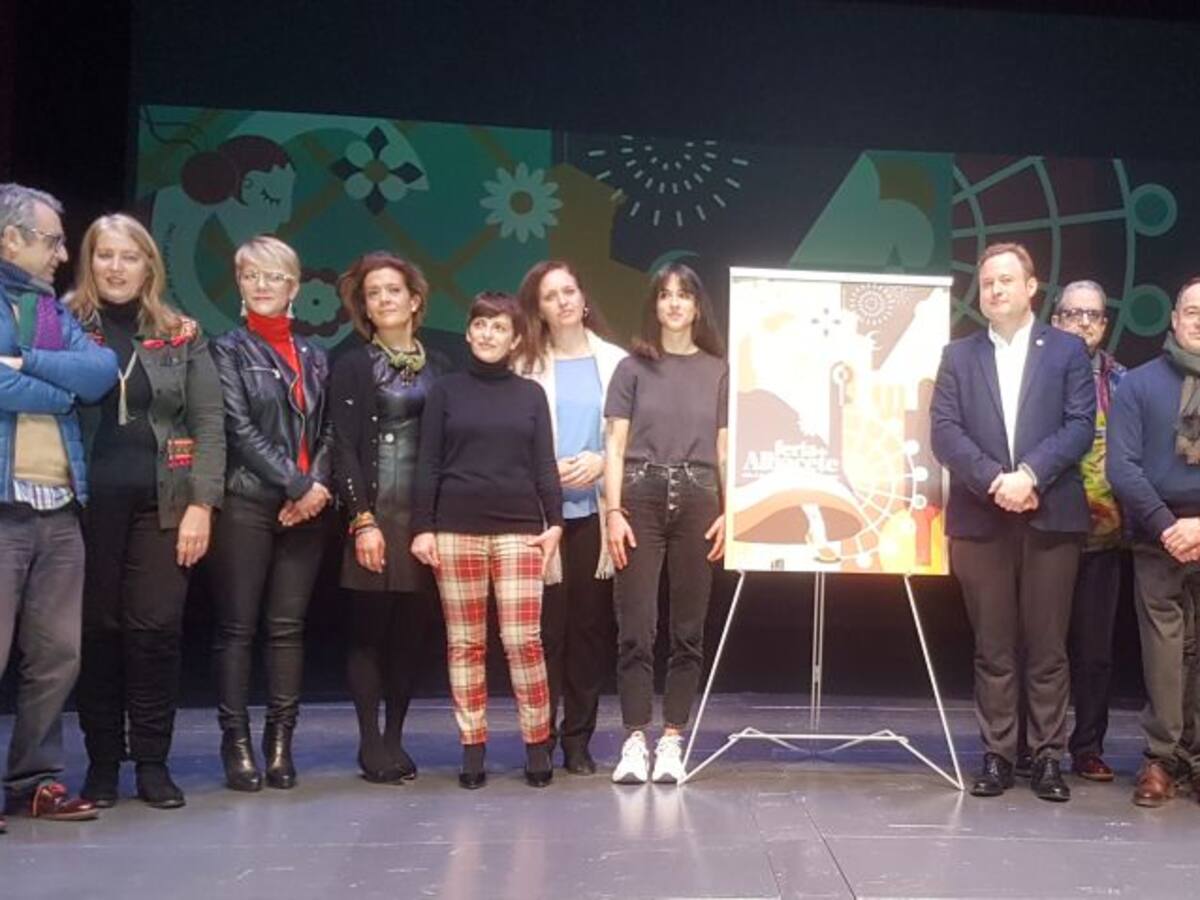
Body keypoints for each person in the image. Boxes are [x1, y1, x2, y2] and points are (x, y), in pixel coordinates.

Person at [69, 214, 225, 810]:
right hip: (84, 505)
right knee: (98, 633)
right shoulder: (63, 324)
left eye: (129, 256)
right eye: (105, 254)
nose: (116, 267)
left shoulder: (181, 332)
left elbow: (208, 423)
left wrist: (202, 505)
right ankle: (103, 764)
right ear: (89, 261)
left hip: (165, 503)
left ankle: (153, 764)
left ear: (149, 267)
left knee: (155, 632)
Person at [931, 242, 1095, 802]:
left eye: (1006, 280)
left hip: (1050, 515)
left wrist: (1030, 475)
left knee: (1048, 646)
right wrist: (996, 481)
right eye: (987, 282)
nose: (995, 290)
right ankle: (998, 754)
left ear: (1031, 287)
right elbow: (944, 432)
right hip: (982, 518)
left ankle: (1048, 756)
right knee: (993, 647)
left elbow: (1080, 425)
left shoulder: (1067, 350)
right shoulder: (959, 356)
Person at [0, 183, 119, 829]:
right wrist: (58, 388)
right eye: (50, 241)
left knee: (56, 657)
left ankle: (34, 782)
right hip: (4, 508)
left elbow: (99, 373)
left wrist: (25, 362)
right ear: (9, 239)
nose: (62, 254)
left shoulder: (51, 312)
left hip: (58, 507)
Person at [410, 292, 562, 789]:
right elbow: (428, 462)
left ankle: (537, 744)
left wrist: (555, 523)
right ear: (469, 331)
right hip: (456, 530)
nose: (488, 334)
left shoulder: (530, 395)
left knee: (523, 642)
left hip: (520, 529)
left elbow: (544, 463)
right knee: (465, 644)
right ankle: (472, 747)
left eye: (499, 327)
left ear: (515, 339)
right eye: (480, 325)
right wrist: (423, 526)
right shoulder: (446, 391)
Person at [209, 235, 333, 792]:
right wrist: (298, 483)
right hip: (247, 501)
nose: (263, 285)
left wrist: (316, 489)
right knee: (237, 629)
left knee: (287, 630)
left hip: (308, 510)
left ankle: (280, 743)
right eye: (251, 275)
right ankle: (235, 743)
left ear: (294, 287)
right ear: (239, 284)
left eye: (274, 276)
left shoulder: (316, 355)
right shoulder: (227, 350)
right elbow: (238, 429)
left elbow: (329, 431)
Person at [604, 262, 728, 785]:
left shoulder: (719, 370)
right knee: (636, 628)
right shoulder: (631, 368)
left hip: (700, 497)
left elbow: (724, 449)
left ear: (698, 307)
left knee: (688, 629)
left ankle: (673, 739)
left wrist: (731, 511)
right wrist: (613, 512)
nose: (674, 303)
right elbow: (614, 446)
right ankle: (635, 739)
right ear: (654, 305)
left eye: (684, 295)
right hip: (640, 495)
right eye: (664, 294)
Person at [330, 252, 446, 783]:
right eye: (373, 293)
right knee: (369, 633)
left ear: (414, 300)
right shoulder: (353, 364)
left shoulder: (440, 366)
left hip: (422, 521)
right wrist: (362, 519)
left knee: (410, 636)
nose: (383, 300)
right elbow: (343, 446)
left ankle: (395, 736)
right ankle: (369, 741)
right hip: (375, 516)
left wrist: (435, 522)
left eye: (392, 290)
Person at [514, 261, 626, 775]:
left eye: (569, 290)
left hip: (596, 515)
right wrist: (544, 470)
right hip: (540, 516)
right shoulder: (522, 364)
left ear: (583, 298)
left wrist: (602, 462)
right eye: (549, 295)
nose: (561, 301)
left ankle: (578, 740)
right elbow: (507, 437)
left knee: (587, 632)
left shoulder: (617, 362)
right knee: (543, 634)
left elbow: (632, 438)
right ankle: (540, 736)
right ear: (538, 308)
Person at [1107, 276, 1200, 807]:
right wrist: (1169, 526)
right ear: (1174, 318)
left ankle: (1196, 757)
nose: (1199, 321)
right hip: (1157, 534)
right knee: (1165, 651)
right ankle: (1162, 758)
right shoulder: (1139, 384)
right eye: (1192, 311)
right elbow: (1122, 467)